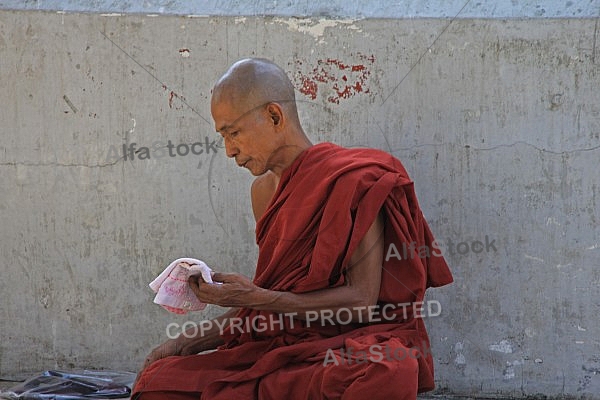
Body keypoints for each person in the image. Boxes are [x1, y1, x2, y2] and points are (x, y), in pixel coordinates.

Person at [132, 58, 453, 400]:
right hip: (283, 347)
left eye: (233, 132)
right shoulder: (262, 192)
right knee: (158, 382)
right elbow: (270, 303)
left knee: (387, 370)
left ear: (274, 116)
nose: (228, 151)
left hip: (347, 346)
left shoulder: (354, 180)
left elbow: (360, 301)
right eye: (222, 137)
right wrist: (185, 342)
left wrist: (259, 298)